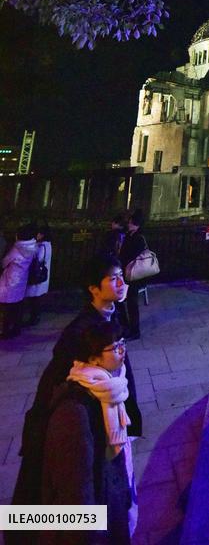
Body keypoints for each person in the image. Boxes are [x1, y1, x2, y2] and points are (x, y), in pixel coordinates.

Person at [12, 253, 143, 509]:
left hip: (107, 415)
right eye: (113, 279)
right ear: (94, 289)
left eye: (121, 277)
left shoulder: (109, 316)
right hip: (92, 424)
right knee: (87, 493)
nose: (121, 283)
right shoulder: (80, 332)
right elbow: (57, 377)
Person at [41, 318, 138, 544]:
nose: (123, 351)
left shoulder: (110, 389)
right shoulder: (74, 412)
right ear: (93, 359)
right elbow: (76, 492)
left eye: (123, 342)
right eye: (115, 347)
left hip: (110, 498)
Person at [0, 224, 37, 339]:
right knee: (17, 305)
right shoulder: (32, 247)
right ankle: (16, 328)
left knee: (7, 307)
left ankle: (5, 331)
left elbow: (5, 262)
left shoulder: (16, 249)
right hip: (22, 280)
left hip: (10, 281)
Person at [118, 211, 147, 339]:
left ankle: (134, 330)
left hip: (134, 275)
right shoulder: (130, 235)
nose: (128, 224)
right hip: (127, 273)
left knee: (132, 302)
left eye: (130, 222)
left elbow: (134, 256)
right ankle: (126, 325)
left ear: (136, 224)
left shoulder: (139, 238)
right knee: (124, 301)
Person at [25, 224, 53, 326]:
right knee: (36, 299)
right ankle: (35, 317)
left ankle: (34, 318)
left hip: (38, 276)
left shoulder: (41, 246)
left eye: (38, 233)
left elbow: (39, 259)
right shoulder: (48, 244)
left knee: (34, 299)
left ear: (42, 234)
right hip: (42, 276)